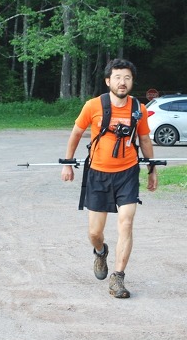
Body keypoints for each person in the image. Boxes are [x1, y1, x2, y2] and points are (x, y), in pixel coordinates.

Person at [61, 58, 157, 298]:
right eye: (117, 77)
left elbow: (145, 139)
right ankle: (100, 251)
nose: (122, 82)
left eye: (127, 78)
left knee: (126, 222)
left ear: (132, 82)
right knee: (95, 232)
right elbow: (77, 132)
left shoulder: (139, 109)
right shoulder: (93, 106)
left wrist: (152, 169)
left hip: (128, 173)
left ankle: (118, 278)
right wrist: (68, 163)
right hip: (98, 174)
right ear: (108, 81)